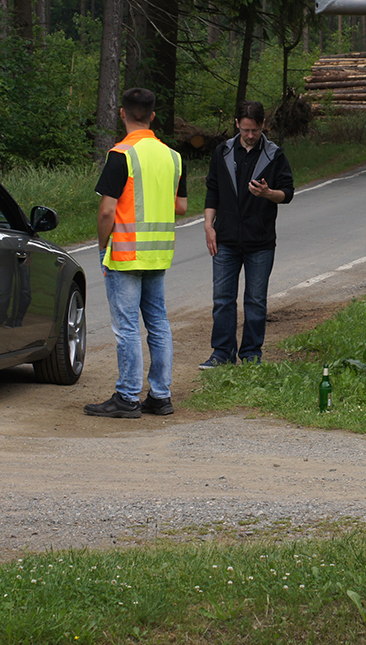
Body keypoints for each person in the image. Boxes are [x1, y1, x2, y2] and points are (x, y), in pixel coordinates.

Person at [85, 88, 187, 418]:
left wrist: (103, 246)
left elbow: (106, 212)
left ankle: (127, 396)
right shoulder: (173, 156)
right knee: (158, 322)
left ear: (122, 113)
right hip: (158, 254)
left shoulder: (122, 154)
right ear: (153, 116)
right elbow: (181, 207)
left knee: (126, 327)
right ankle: (160, 394)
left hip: (126, 253)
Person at [200, 100, 294, 368]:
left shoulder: (275, 155)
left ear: (263, 125)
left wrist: (268, 193)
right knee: (222, 299)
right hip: (225, 238)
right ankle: (222, 353)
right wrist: (209, 225)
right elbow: (212, 190)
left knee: (255, 301)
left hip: (260, 241)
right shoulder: (223, 152)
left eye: (254, 130)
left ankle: (252, 354)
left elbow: (287, 194)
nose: (250, 135)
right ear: (237, 125)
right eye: (245, 130)